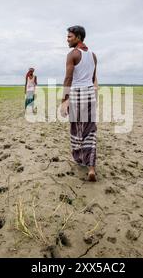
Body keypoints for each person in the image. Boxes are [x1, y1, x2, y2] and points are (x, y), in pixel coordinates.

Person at [60, 25, 98, 182]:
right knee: (90, 130)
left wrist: (64, 101)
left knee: (76, 128)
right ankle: (91, 167)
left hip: (76, 94)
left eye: (69, 37)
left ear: (78, 37)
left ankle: (80, 159)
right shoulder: (93, 55)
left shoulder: (73, 54)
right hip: (90, 94)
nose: (67, 39)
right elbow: (93, 78)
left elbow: (68, 79)